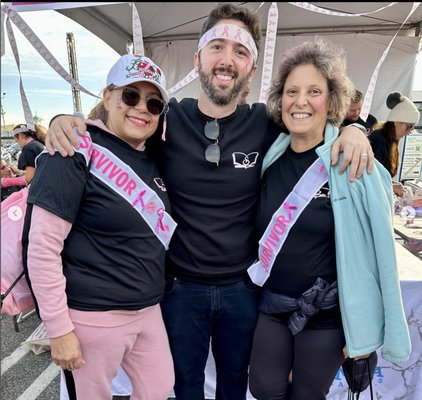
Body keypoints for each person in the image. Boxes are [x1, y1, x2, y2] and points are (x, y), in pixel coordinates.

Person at [44, 4, 374, 399]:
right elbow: (114, 126)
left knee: (234, 386)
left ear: (251, 71)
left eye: (240, 52)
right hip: (180, 288)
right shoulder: (165, 118)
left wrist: (354, 131)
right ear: (198, 57)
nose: (227, 59)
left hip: (243, 288)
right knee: (184, 388)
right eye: (217, 46)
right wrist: (64, 120)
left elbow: (312, 123)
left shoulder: (266, 125)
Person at [247, 38, 411, 400]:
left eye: (313, 91)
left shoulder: (353, 164)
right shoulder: (268, 155)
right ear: (280, 99)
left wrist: (364, 330)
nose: (300, 101)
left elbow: (378, 253)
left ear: (331, 101)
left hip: (326, 315)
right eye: (292, 91)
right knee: (263, 387)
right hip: (273, 305)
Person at [23, 54, 176, 400]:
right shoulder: (74, 148)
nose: (142, 108)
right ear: (108, 97)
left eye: (153, 103)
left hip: (148, 310)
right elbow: (43, 246)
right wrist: (59, 330)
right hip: (92, 316)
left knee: (159, 387)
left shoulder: (152, 157)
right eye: (130, 96)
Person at [368, 91, 419, 198]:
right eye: (408, 126)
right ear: (396, 121)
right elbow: (370, 177)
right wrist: (391, 186)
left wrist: (393, 184)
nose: (409, 131)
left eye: (412, 127)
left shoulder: (388, 140)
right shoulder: (378, 140)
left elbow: (382, 175)